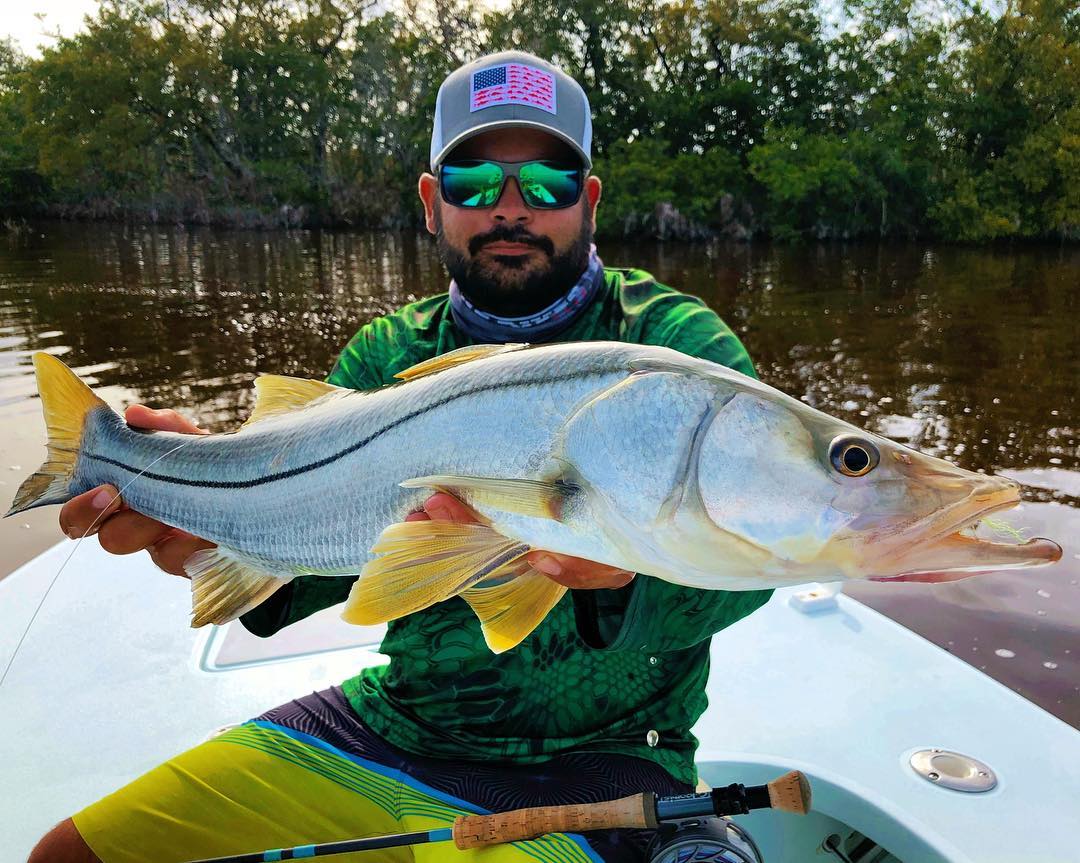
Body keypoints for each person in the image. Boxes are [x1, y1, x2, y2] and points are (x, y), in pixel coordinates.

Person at [32, 51, 773, 863]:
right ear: (432, 202)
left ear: (589, 200)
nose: (512, 208)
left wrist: (625, 577)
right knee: (69, 855)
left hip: (613, 756)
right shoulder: (388, 354)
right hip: (393, 725)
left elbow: (752, 563)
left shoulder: (673, 347)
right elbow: (318, 564)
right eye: (474, 183)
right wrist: (203, 514)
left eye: (550, 182)